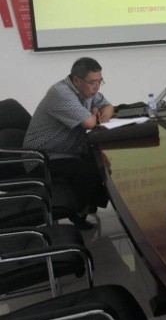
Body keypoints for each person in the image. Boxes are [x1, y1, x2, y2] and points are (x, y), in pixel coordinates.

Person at [23, 57, 113, 226]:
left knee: (103, 162)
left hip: (67, 152)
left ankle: (87, 206)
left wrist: (99, 111)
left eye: (100, 81)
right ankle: (78, 213)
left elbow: (107, 106)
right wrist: (95, 112)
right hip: (42, 158)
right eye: (93, 82)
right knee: (90, 170)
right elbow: (89, 123)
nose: (97, 87)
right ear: (77, 80)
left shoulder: (86, 91)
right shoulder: (61, 93)